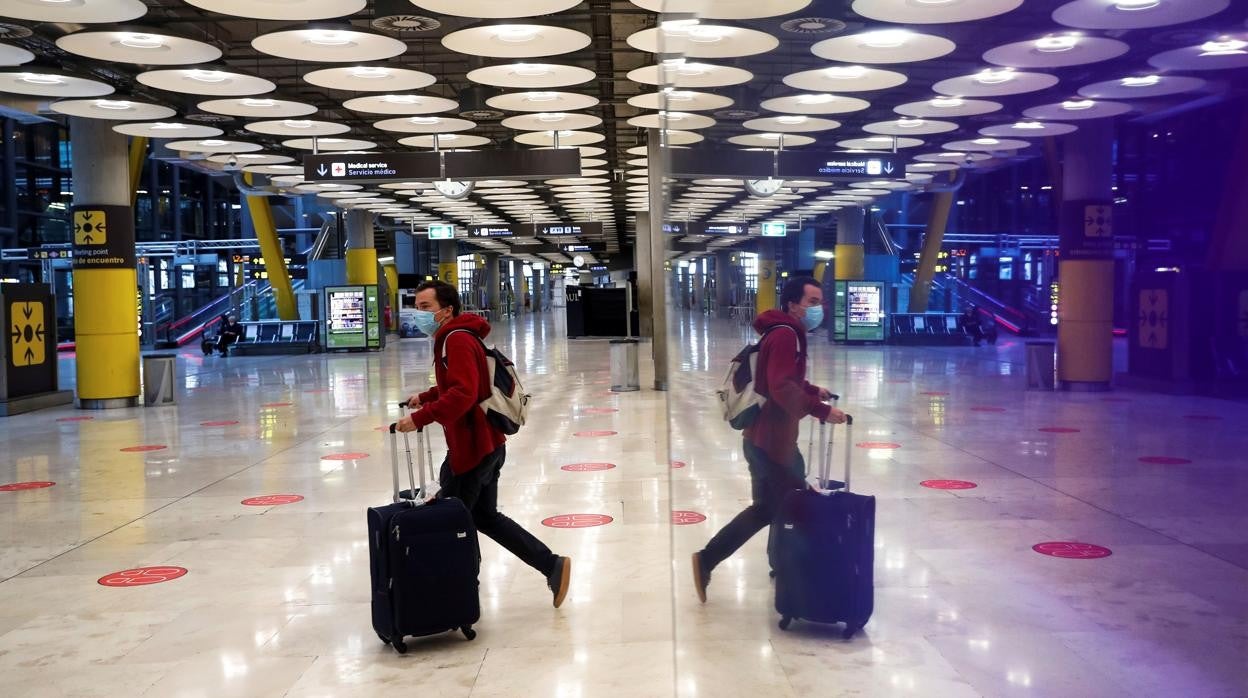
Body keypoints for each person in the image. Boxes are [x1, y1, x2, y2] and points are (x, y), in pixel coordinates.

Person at [398, 281, 573, 608]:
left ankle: (459, 597)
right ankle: (551, 565)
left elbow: (464, 394)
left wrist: (421, 419)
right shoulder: (459, 337)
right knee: (485, 517)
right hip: (487, 446)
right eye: (416, 306)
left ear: (446, 310)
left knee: (452, 522)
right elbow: (467, 385)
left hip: (472, 451)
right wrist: (426, 397)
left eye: (425, 307)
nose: (417, 313)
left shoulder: (456, 340)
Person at [692, 276, 847, 603]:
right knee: (796, 504)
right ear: (792, 304)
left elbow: (782, 379)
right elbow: (779, 386)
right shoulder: (787, 336)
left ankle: (711, 559)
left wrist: (810, 389)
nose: (818, 308)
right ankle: (791, 568)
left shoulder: (782, 332)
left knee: (767, 508)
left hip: (760, 438)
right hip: (774, 443)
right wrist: (821, 409)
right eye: (812, 302)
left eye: (821, 302)